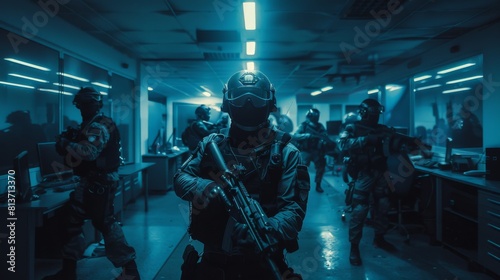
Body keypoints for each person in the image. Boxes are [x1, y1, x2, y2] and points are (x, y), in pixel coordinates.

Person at [174, 70, 309, 280]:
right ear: (227, 104)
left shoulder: (285, 152)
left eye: (256, 99)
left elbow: (293, 209)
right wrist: (208, 188)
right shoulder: (211, 144)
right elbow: (181, 179)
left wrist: (269, 229)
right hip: (213, 259)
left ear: (269, 103)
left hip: (262, 259)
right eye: (240, 98)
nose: (248, 105)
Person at [43, 87, 140, 280]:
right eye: (82, 104)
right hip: (89, 184)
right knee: (70, 224)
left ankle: (130, 272)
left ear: (95, 105)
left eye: (87, 104)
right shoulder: (91, 124)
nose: (83, 107)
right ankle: (68, 271)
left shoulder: (98, 126)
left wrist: (66, 144)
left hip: (98, 185)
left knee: (107, 227)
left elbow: (89, 153)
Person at [338, 98, 396, 266]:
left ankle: (379, 237)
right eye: (373, 114)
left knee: (383, 204)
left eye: (377, 114)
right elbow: (342, 144)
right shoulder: (352, 127)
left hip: (380, 172)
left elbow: (394, 146)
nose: (376, 118)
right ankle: (354, 247)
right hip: (364, 173)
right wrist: (365, 140)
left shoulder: (382, 129)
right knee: (360, 209)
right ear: (363, 113)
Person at [292, 108, 328, 193]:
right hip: (306, 150)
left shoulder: (320, 126)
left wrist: (323, 140)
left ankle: (318, 184)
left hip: (317, 151)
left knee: (321, 167)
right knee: (302, 168)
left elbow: (325, 136)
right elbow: (295, 136)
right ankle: (301, 185)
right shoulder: (303, 125)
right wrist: (306, 136)